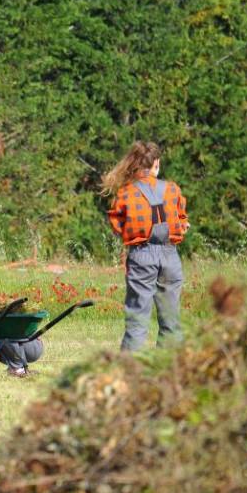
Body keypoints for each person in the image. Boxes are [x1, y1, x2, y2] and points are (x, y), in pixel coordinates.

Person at [105, 141, 189, 351]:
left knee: (137, 321)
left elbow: (117, 225)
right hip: (170, 256)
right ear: (156, 164)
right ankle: (167, 372)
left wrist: (134, 232)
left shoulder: (126, 193)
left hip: (142, 254)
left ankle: (127, 374)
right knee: (171, 321)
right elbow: (181, 220)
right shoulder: (172, 189)